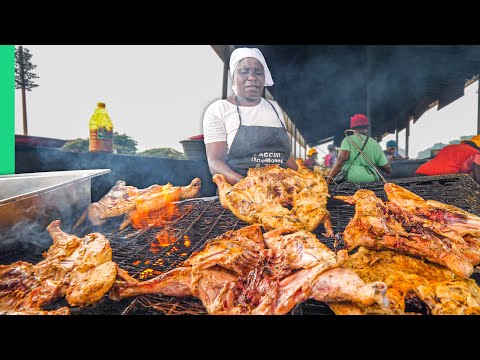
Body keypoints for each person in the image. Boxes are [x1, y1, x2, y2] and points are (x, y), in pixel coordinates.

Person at [203, 47, 298, 185]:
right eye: (244, 71)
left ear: (264, 77)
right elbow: (215, 161)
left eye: (258, 72)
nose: (252, 77)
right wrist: (247, 185)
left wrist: (300, 177)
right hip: (240, 195)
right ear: (234, 77)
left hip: (282, 189)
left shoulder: (274, 108)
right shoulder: (219, 109)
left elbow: (285, 155)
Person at [326, 114, 392, 185]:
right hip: (371, 179)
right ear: (367, 126)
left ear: (352, 127)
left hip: (352, 180)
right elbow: (386, 167)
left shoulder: (348, 140)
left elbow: (342, 158)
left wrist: (329, 179)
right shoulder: (375, 143)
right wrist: (389, 171)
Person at [415, 135, 480, 183]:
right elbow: (477, 175)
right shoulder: (476, 153)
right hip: (444, 178)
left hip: (421, 172)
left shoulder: (450, 147)